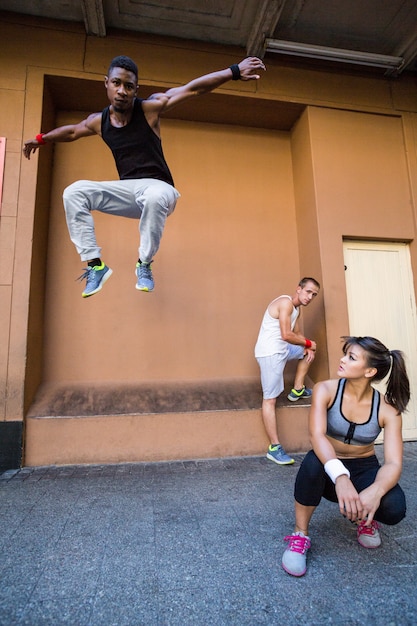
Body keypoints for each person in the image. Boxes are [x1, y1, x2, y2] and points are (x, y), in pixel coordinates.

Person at [23, 55, 266, 297]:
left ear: (136, 89)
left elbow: (193, 89)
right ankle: (95, 265)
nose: (122, 91)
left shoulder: (150, 108)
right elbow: (73, 131)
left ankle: (144, 264)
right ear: (106, 83)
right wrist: (43, 139)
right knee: (74, 192)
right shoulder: (99, 122)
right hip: (129, 192)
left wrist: (234, 71)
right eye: (117, 83)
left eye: (129, 86)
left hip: (161, 191)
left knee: (155, 195)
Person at [281, 336, 410, 577]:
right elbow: (317, 435)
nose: (342, 359)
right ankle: (300, 534)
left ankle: (365, 519)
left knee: (394, 507)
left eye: (351, 357)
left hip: (364, 467)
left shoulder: (387, 410)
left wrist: (376, 491)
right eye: (345, 354)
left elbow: (393, 462)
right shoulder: (325, 389)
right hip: (327, 467)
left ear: (370, 371)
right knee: (311, 463)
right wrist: (340, 477)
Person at [254, 277, 320, 465]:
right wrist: (308, 343)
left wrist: (307, 346)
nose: (310, 297)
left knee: (309, 351)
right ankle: (274, 448)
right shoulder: (285, 303)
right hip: (270, 353)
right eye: (308, 292)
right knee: (270, 399)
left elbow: (297, 334)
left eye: (314, 295)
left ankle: (297, 388)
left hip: (282, 350)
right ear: (298, 289)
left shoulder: (296, 310)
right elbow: (286, 334)